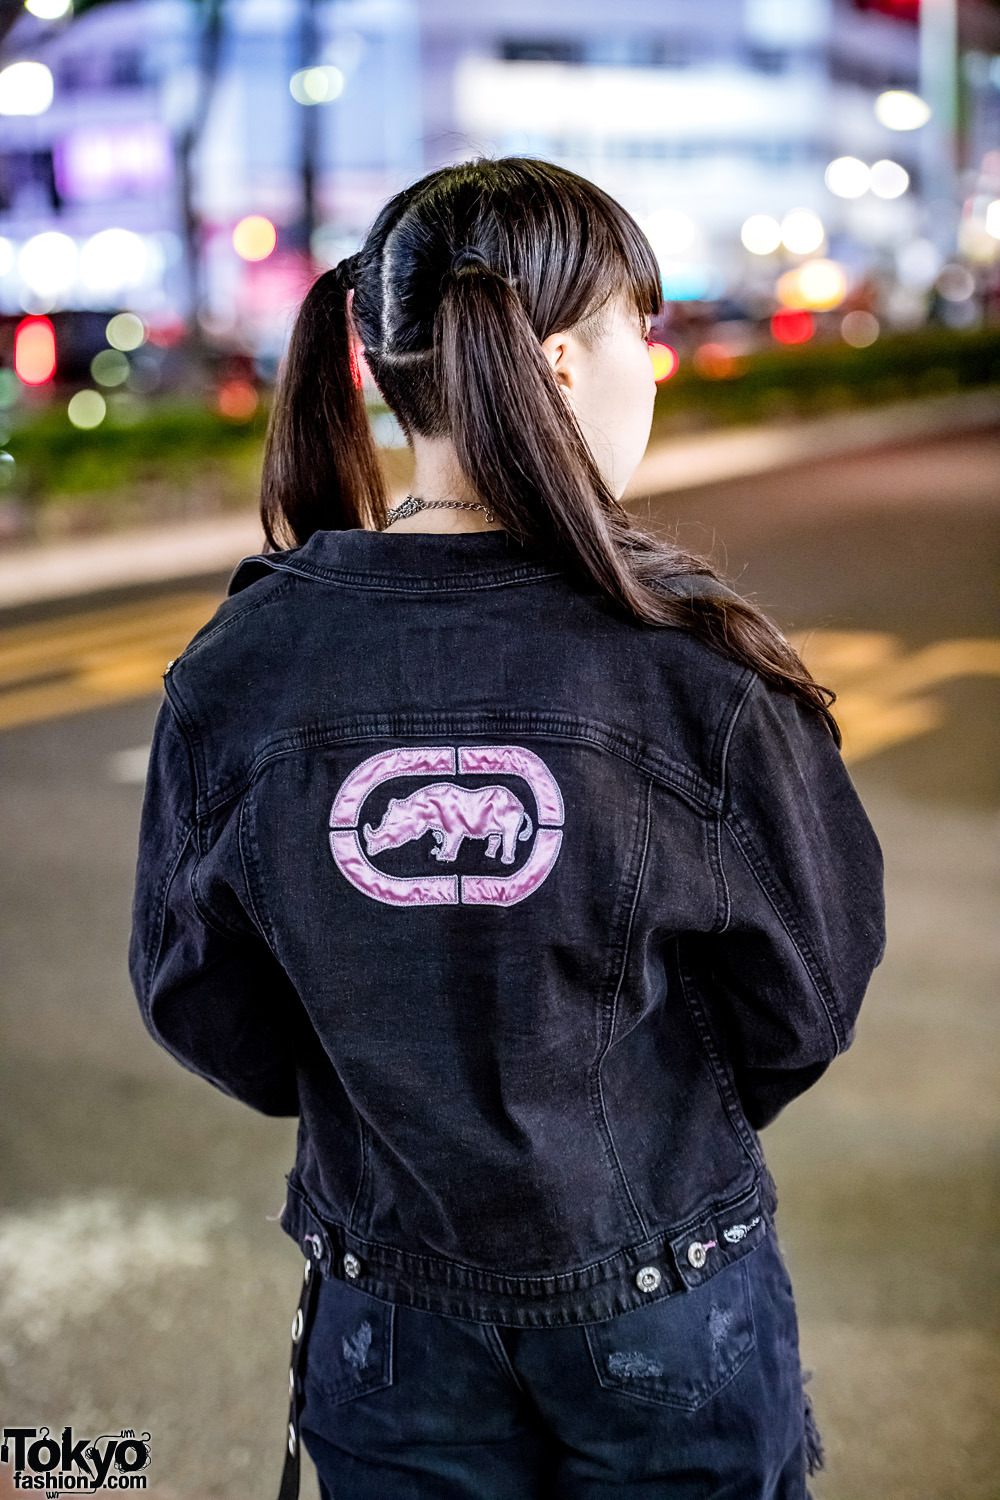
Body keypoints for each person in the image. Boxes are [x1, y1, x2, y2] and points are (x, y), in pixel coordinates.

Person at [128, 157, 885, 1500]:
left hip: (391, 1307)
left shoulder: (245, 665)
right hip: (663, 1290)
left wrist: (385, 1072)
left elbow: (201, 1000)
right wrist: (642, 1121)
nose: (651, 366)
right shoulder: (690, 667)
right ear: (554, 362)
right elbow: (806, 1001)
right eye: (636, 330)